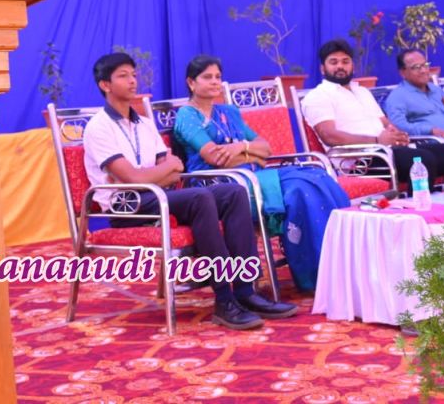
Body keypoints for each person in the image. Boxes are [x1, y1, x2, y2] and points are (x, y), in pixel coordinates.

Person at [82, 52, 298, 330]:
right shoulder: (98, 127)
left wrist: (163, 171)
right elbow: (133, 177)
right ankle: (224, 300)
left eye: (133, 74)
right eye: (123, 76)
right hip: (128, 206)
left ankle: (246, 291)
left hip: (157, 196)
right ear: (105, 85)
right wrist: (163, 170)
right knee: (200, 196)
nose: (133, 81)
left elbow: (176, 168)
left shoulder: (144, 124)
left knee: (233, 192)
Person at [171, 55, 349, 292]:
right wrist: (252, 155)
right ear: (191, 83)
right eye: (207, 77)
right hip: (217, 182)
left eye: (218, 77)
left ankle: (336, 267)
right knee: (298, 189)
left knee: (316, 177)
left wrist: (241, 147)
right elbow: (214, 158)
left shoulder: (228, 112)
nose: (214, 82)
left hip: (252, 176)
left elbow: (265, 148)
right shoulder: (187, 115)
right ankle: (312, 273)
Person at [300, 39, 444, 191]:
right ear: (323, 68)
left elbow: (385, 123)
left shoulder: (362, 92)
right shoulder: (318, 96)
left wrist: (397, 134)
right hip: (362, 162)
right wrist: (377, 141)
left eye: (345, 61)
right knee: (422, 161)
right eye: (333, 62)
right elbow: (330, 136)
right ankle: (419, 215)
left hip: (389, 151)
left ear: (352, 65)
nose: (340, 66)